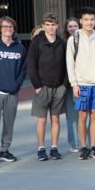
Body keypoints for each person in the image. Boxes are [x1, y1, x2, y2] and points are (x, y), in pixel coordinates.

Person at [66, 6, 95, 160]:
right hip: (82, 84)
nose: (89, 22)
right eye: (86, 19)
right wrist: (74, 84)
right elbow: (70, 63)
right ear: (81, 21)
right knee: (82, 116)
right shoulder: (74, 40)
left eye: (92, 19)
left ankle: (93, 147)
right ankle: (83, 147)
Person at [0, 16, 27, 165]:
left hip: (12, 93)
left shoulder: (20, 48)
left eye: (11, 27)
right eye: (5, 27)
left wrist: (17, 85)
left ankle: (5, 150)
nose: (8, 29)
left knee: (9, 123)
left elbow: (23, 70)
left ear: (14, 29)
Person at [26, 13, 67, 161]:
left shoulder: (62, 43)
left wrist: (64, 85)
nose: (50, 27)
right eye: (47, 24)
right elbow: (31, 65)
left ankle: (54, 148)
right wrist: (37, 86)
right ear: (43, 26)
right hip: (42, 87)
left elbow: (67, 65)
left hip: (58, 88)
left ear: (57, 26)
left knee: (55, 119)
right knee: (42, 120)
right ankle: (41, 148)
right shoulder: (37, 42)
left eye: (53, 24)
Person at [62, 17, 80, 152]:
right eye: (70, 26)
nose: (73, 28)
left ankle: (84, 140)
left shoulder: (85, 41)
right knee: (72, 116)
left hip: (85, 82)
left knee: (84, 115)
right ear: (66, 29)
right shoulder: (63, 44)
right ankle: (74, 143)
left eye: (75, 26)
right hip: (69, 84)